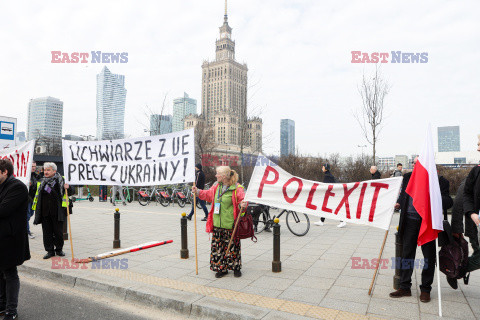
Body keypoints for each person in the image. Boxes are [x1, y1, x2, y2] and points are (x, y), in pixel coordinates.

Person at [389, 157, 453, 303]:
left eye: (418, 163)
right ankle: (404, 287)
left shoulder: (439, 181)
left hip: (428, 224)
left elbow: (449, 202)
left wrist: (435, 197)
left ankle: (425, 289)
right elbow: (403, 196)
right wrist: (398, 202)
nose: (415, 165)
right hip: (410, 221)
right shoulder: (407, 177)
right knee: (406, 255)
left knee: (429, 257)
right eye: (414, 163)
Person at [192, 166, 248, 278]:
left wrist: (243, 205)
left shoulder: (237, 188)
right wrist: (197, 192)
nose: (216, 175)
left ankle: (236, 267)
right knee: (218, 247)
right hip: (217, 223)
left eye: (217, 174)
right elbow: (208, 195)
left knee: (233, 247)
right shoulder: (216, 186)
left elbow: (242, 202)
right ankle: (222, 268)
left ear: (224, 176)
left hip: (230, 223)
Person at [0, 159, 31, 320]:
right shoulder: (2, 185)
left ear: (4, 171)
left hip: (11, 239)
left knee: (10, 273)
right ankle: (2, 305)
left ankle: (11, 310)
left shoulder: (17, 187)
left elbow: (3, 210)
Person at [32, 162, 73, 259]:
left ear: (54, 171)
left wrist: (69, 187)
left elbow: (71, 192)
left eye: (48, 170)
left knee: (58, 232)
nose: (46, 172)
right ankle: (49, 251)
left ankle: (59, 249)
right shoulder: (41, 181)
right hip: (45, 212)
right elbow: (34, 192)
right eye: (45, 170)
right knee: (47, 232)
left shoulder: (61, 180)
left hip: (57, 211)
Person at [27, 161, 40, 239]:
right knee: (27, 216)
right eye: (32, 166)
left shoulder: (35, 176)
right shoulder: (26, 176)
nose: (34, 168)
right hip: (27, 199)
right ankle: (26, 231)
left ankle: (25, 229)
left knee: (30, 214)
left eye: (34, 166)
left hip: (33, 199)